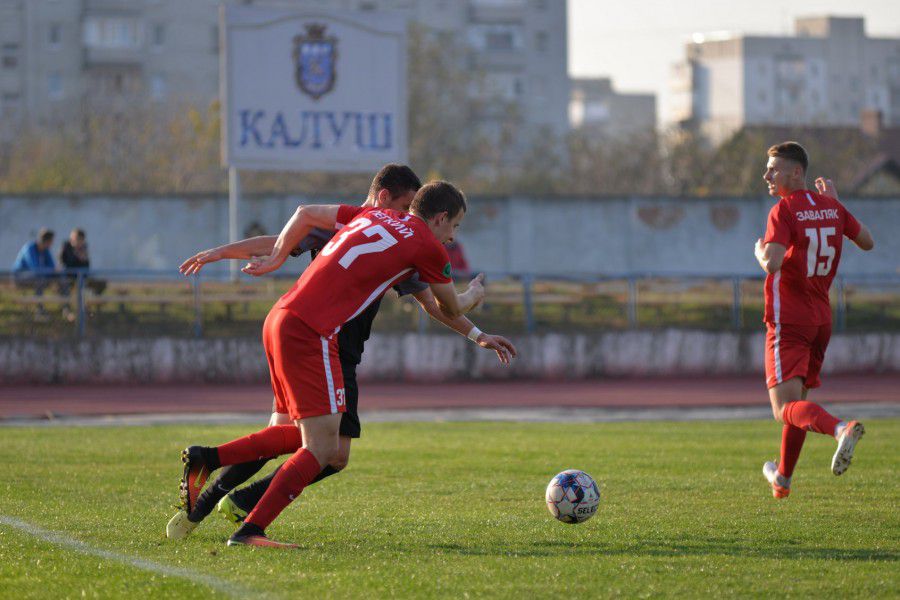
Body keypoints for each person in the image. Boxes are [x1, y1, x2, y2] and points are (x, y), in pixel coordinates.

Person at [173, 180, 516, 547]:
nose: (453, 236)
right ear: (441, 217)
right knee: (325, 450)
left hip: (281, 318)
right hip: (314, 333)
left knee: (313, 440)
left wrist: (268, 257)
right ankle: (249, 528)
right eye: (456, 226)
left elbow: (304, 216)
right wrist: (474, 295)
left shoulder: (373, 216)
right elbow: (449, 305)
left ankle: (209, 464)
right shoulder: (427, 246)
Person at [755, 141, 874, 499]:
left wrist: (760, 252)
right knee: (799, 405)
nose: (767, 175)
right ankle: (783, 479)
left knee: (783, 409)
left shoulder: (783, 210)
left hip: (788, 319)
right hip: (821, 318)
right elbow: (867, 242)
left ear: (796, 173)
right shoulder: (832, 207)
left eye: (774, 169)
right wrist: (837, 204)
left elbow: (773, 263)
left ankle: (840, 428)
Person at [59, 228, 106, 296]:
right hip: (69, 277)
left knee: (101, 284)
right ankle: (66, 305)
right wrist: (76, 256)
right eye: (74, 239)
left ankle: (93, 301)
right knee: (64, 285)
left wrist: (83, 259)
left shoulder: (84, 248)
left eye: (80, 240)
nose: (77, 242)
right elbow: (63, 263)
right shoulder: (66, 247)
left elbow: (87, 267)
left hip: (82, 277)